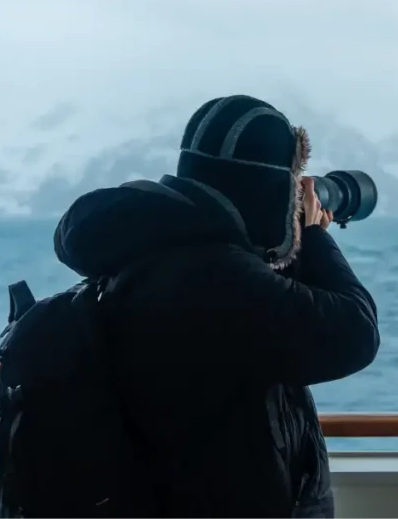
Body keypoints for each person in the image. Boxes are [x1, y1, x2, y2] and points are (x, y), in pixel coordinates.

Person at [53, 95, 380, 518]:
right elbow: (353, 334)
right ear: (265, 190)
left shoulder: (151, 253)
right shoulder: (215, 278)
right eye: (289, 182)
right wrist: (313, 235)